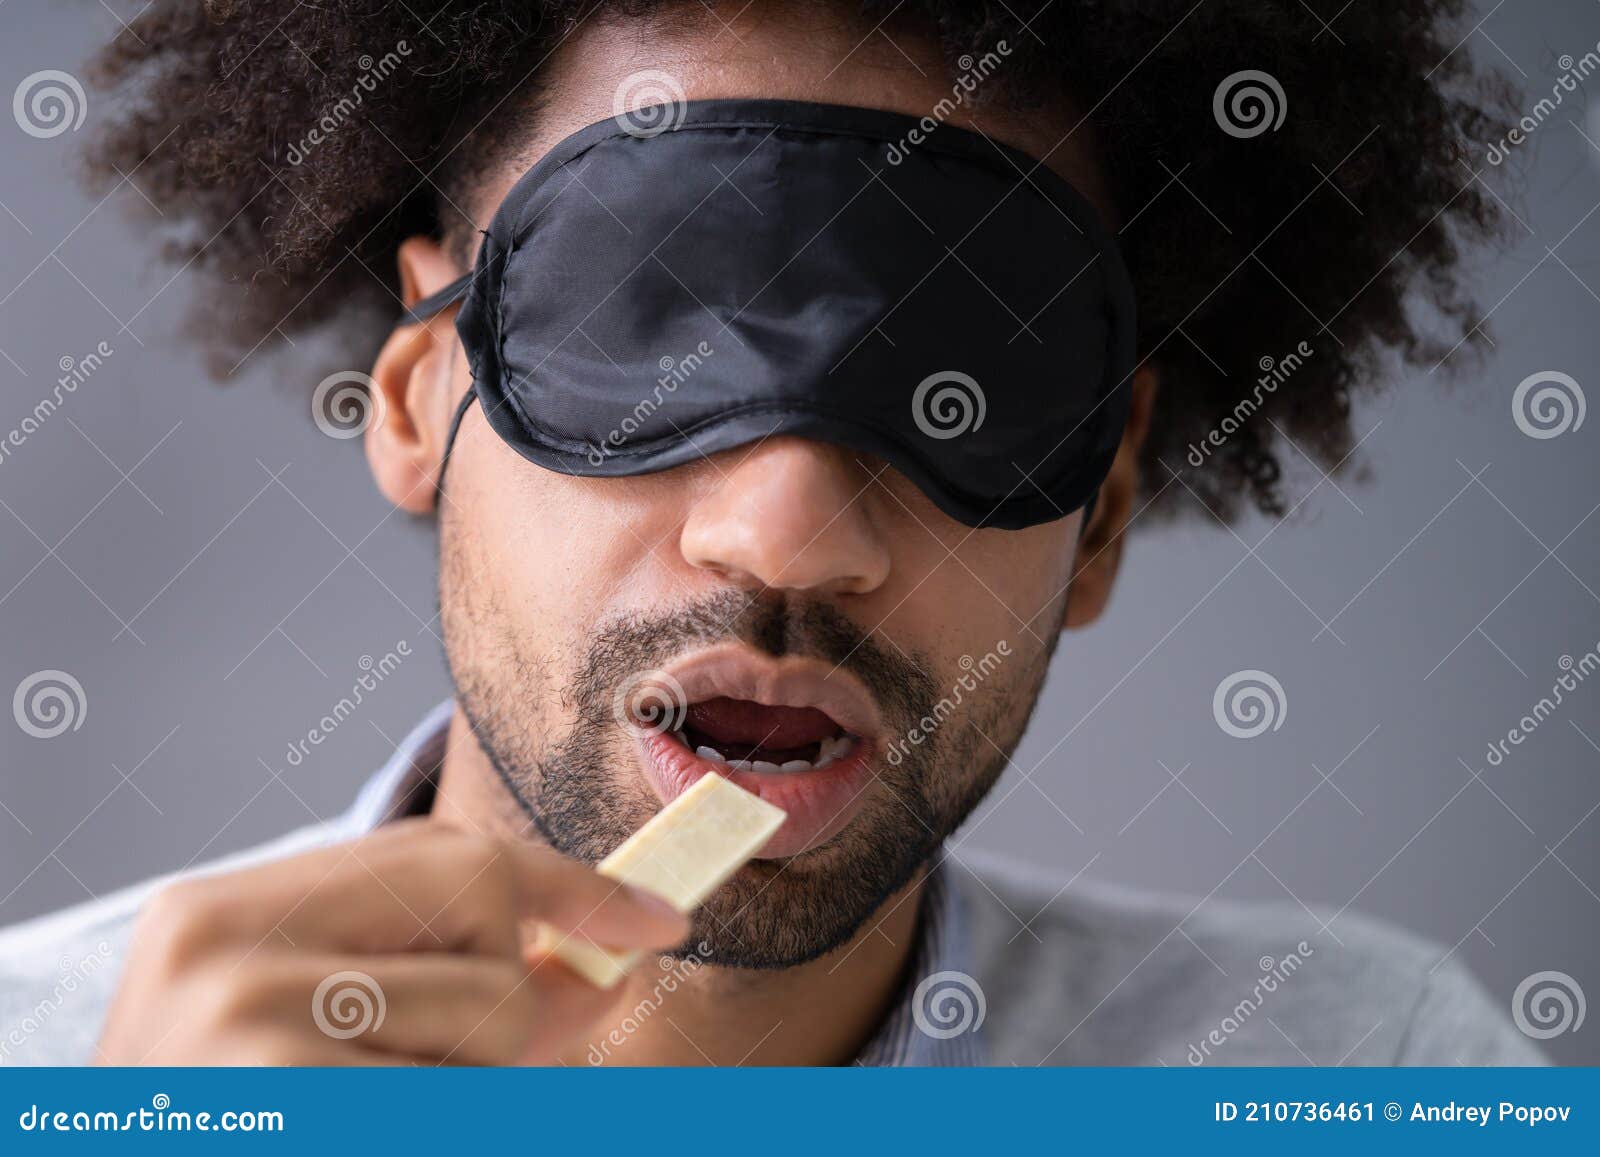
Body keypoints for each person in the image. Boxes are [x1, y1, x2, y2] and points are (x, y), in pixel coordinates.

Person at [0, 0, 1542, 1066]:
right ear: (415, 402)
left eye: (969, 377)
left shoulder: (1369, 1067)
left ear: (1109, 502)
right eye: (640, 315)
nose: (792, 536)